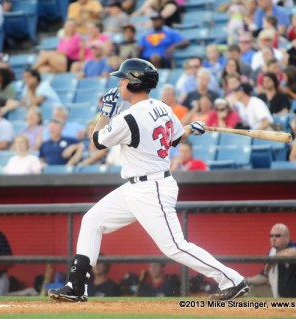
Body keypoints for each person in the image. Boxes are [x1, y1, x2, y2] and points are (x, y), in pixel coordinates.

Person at [48, 58, 249, 303]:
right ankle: (76, 285)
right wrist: (190, 128)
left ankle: (231, 280)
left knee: (174, 246)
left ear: (135, 83)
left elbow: (95, 142)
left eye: (123, 79)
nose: (120, 83)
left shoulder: (128, 118)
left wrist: (104, 114)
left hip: (151, 187)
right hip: (136, 186)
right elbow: (176, 137)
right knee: (92, 220)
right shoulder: (162, 107)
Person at [245, 223, 296, 298]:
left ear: (287, 237)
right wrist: (247, 280)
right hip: (282, 296)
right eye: (271, 236)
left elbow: (294, 252)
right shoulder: (271, 253)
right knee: (253, 289)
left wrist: (274, 259)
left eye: (277, 236)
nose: (273, 238)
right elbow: (265, 276)